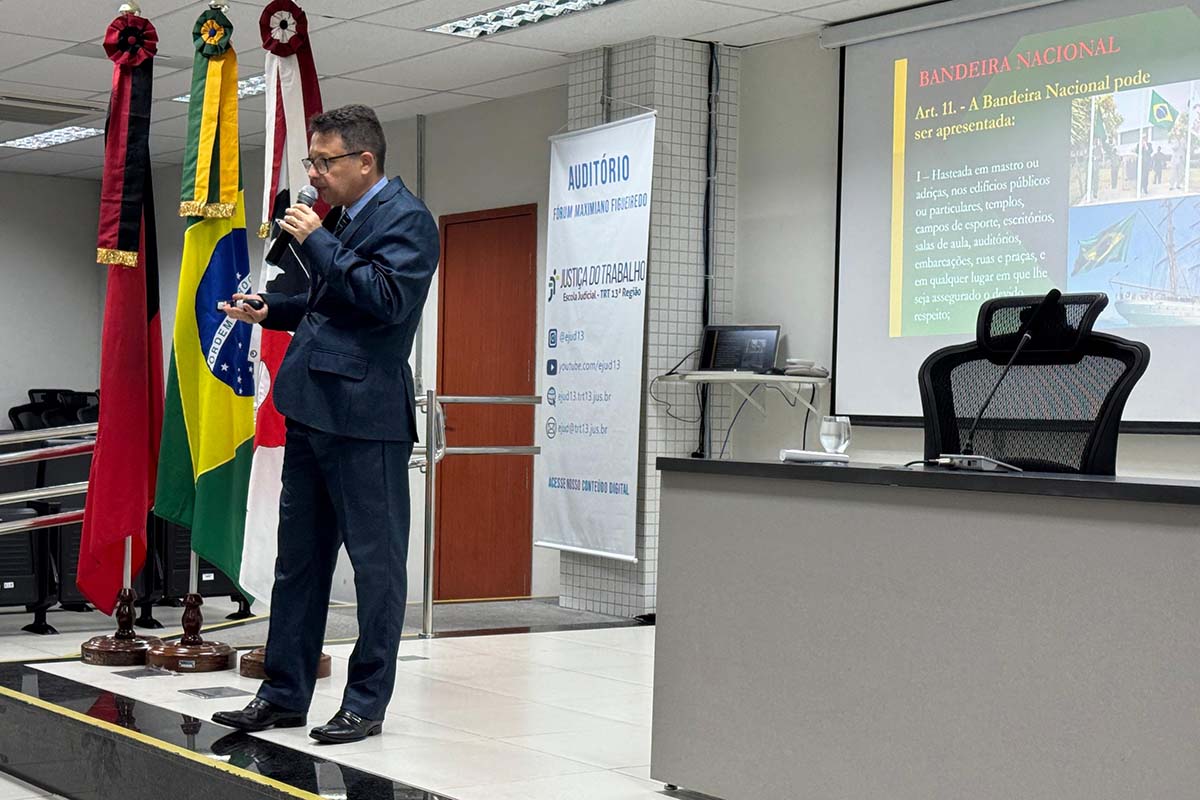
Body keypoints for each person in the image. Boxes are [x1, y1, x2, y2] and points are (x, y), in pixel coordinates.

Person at [211, 105, 439, 744]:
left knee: (377, 569)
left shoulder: (409, 222)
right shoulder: (344, 219)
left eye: (323, 162)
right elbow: (329, 300)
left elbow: (385, 300)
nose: (313, 174)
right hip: (312, 408)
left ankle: (365, 704)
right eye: (312, 161)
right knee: (300, 562)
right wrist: (271, 307)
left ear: (365, 161)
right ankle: (284, 695)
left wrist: (318, 240)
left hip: (367, 419)